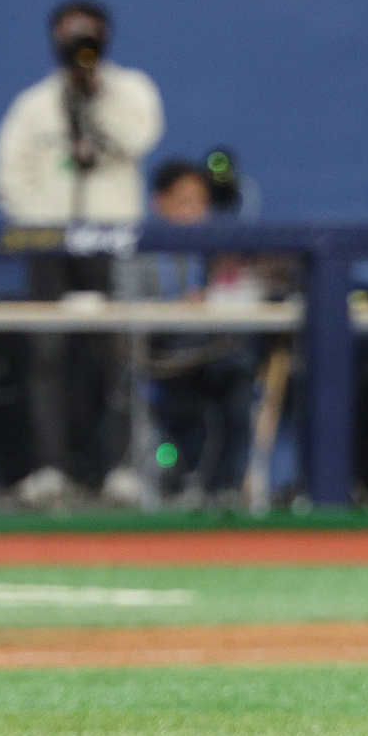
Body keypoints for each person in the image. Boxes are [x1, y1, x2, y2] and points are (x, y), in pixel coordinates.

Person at [0, 0, 164, 506]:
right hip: (49, 245)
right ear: (54, 38)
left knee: (114, 356)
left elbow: (141, 136)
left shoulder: (129, 89)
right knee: (46, 356)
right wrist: (40, 222)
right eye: (70, 32)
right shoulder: (35, 105)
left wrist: (96, 96)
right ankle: (49, 468)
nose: (80, 41)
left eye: (89, 32)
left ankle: (120, 468)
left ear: (107, 35)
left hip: (113, 243)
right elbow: (8, 173)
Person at [118, 161, 258, 502]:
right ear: (159, 203)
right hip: (165, 355)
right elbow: (125, 302)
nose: (194, 211)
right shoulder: (139, 249)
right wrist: (173, 307)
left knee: (239, 390)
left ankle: (225, 488)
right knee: (184, 408)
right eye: (183, 201)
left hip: (214, 350)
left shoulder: (219, 248)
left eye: (200, 201)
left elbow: (247, 290)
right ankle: (180, 480)